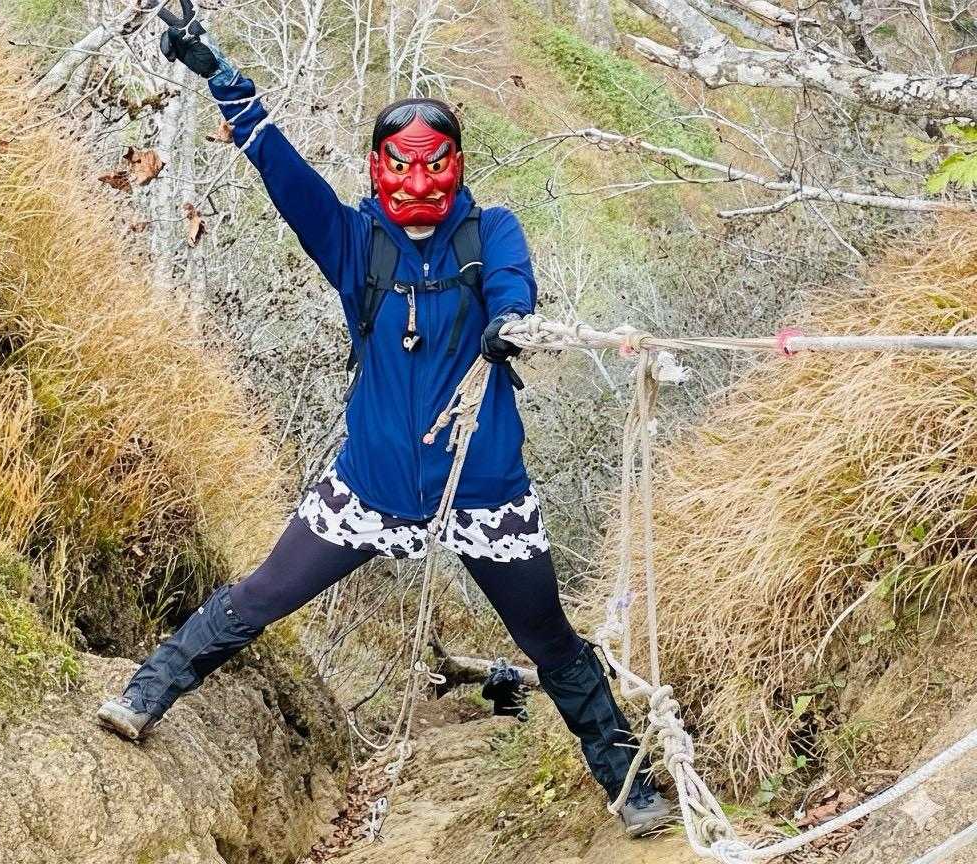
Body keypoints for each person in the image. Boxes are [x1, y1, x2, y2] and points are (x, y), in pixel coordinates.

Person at [96, 13, 674, 838]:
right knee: (263, 593)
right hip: (369, 486)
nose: (418, 179)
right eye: (401, 164)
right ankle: (146, 693)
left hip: (481, 488)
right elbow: (280, 168)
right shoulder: (354, 240)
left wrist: (508, 323)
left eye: (434, 163)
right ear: (377, 166)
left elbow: (513, 286)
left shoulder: (490, 231)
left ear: (458, 163)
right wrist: (218, 72)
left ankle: (629, 784)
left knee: (548, 637)